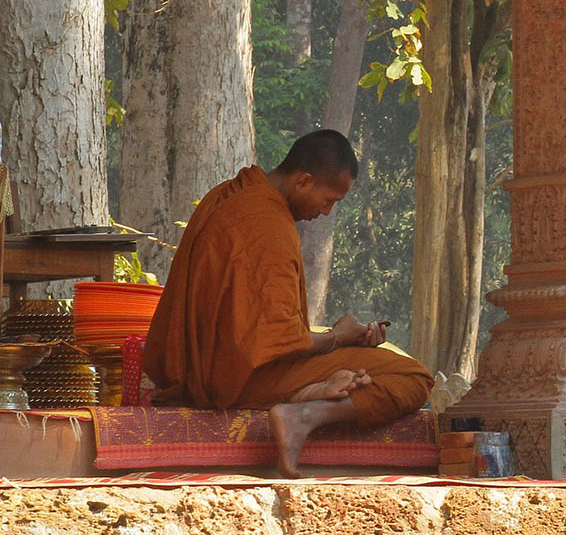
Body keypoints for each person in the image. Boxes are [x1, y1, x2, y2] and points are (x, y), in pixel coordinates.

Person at [143, 129, 433, 477]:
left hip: (201, 368)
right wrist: (338, 338)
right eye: (329, 200)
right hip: (236, 378)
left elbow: (256, 326)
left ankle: (310, 391)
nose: (326, 212)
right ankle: (303, 415)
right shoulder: (268, 225)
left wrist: (344, 339)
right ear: (304, 180)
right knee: (413, 376)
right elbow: (274, 340)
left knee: (357, 366)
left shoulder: (229, 194)